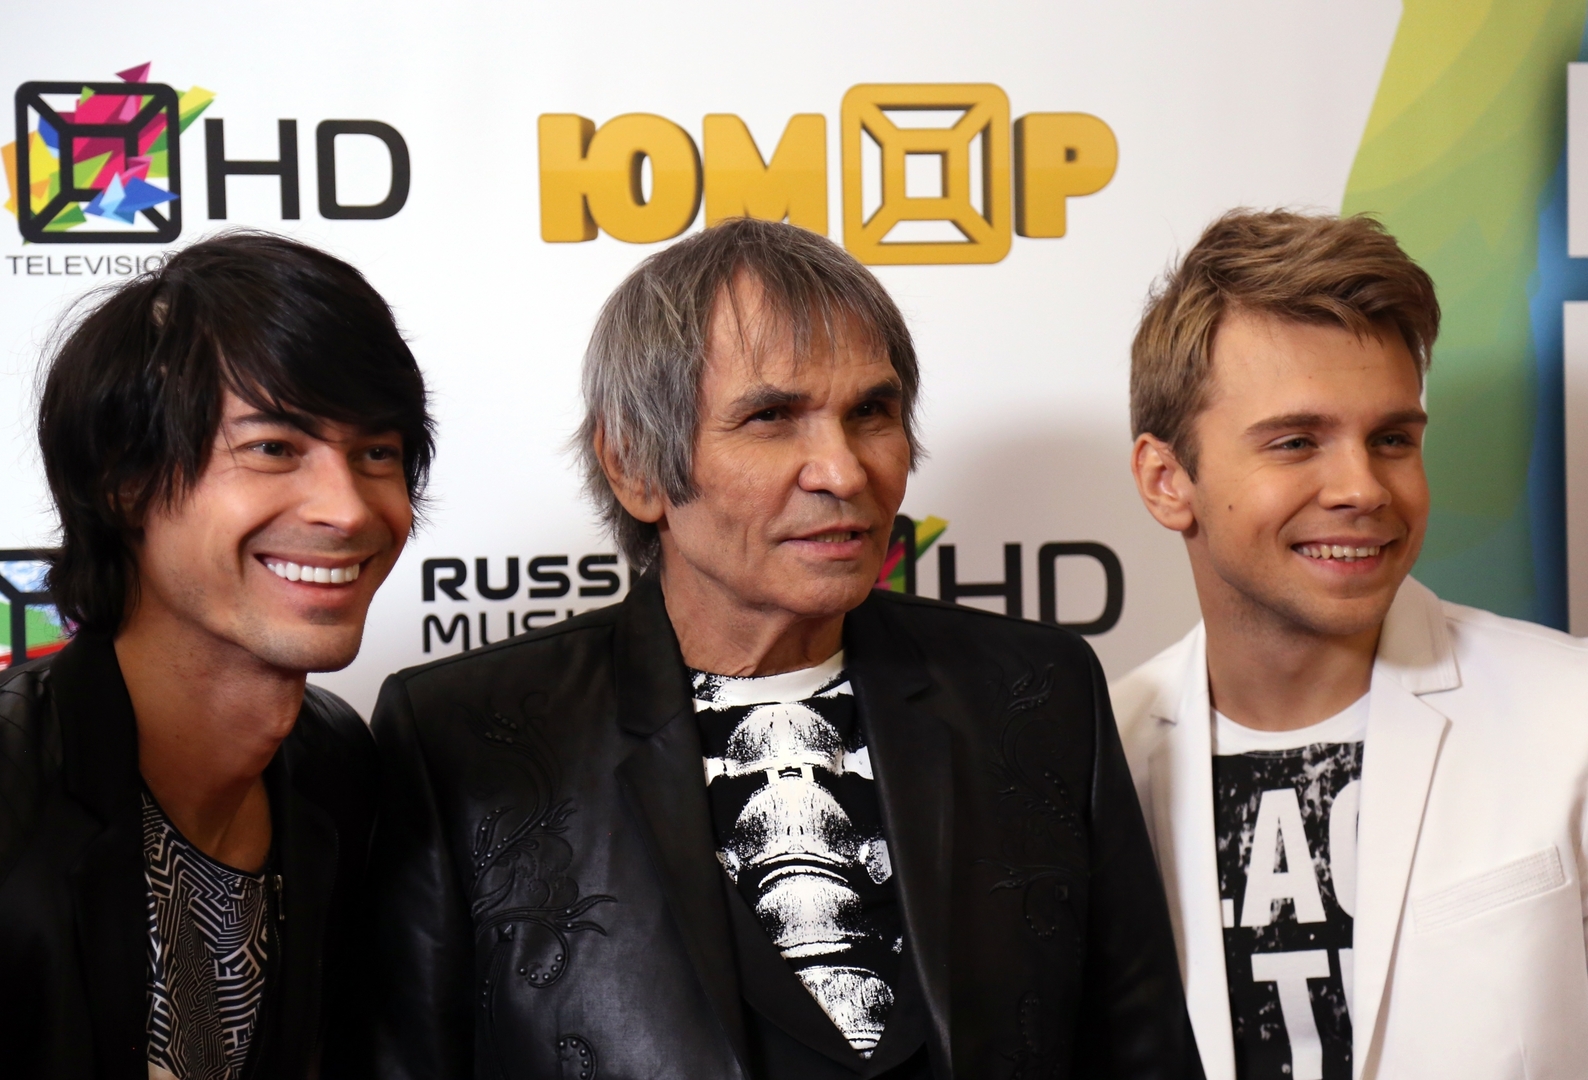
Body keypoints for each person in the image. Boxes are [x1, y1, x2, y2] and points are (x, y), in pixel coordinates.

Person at [363, 218, 1201, 1080]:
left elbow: (1142, 1056)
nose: (844, 471)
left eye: (870, 413)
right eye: (771, 418)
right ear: (635, 466)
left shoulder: (1034, 693)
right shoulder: (466, 736)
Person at [1112, 209, 1588, 1080]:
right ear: (1167, 479)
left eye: (1392, 439)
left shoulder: (1572, 713)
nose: (1364, 488)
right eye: (1297, 442)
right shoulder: (1094, 755)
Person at [0, 232, 434, 1080]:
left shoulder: (336, 764)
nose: (347, 508)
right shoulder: (14, 796)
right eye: (274, 448)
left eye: (376, 454)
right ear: (124, 480)